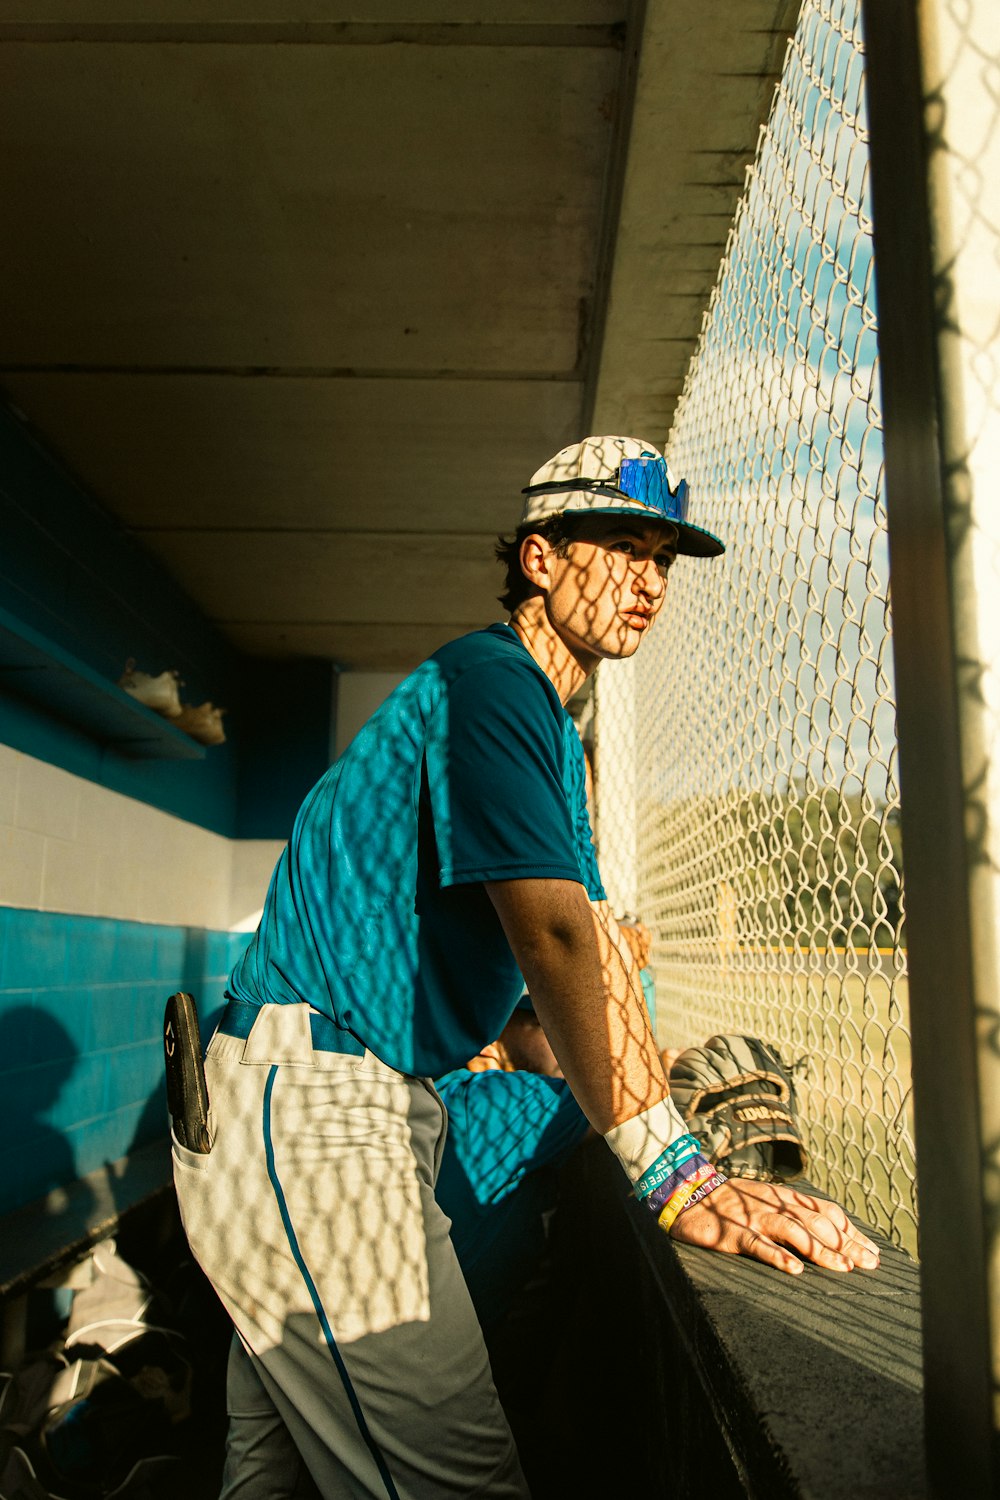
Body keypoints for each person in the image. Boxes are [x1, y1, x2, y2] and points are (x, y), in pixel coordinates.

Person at [171, 435, 879, 1500]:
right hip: (311, 1108)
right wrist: (675, 1172)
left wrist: (657, 1080)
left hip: (336, 1103)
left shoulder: (538, 724)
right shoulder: (490, 681)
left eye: (664, 560)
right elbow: (556, 940)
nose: (647, 580)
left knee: (272, 1478)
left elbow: (564, 975)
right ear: (540, 558)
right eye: (621, 545)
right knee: (461, 1485)